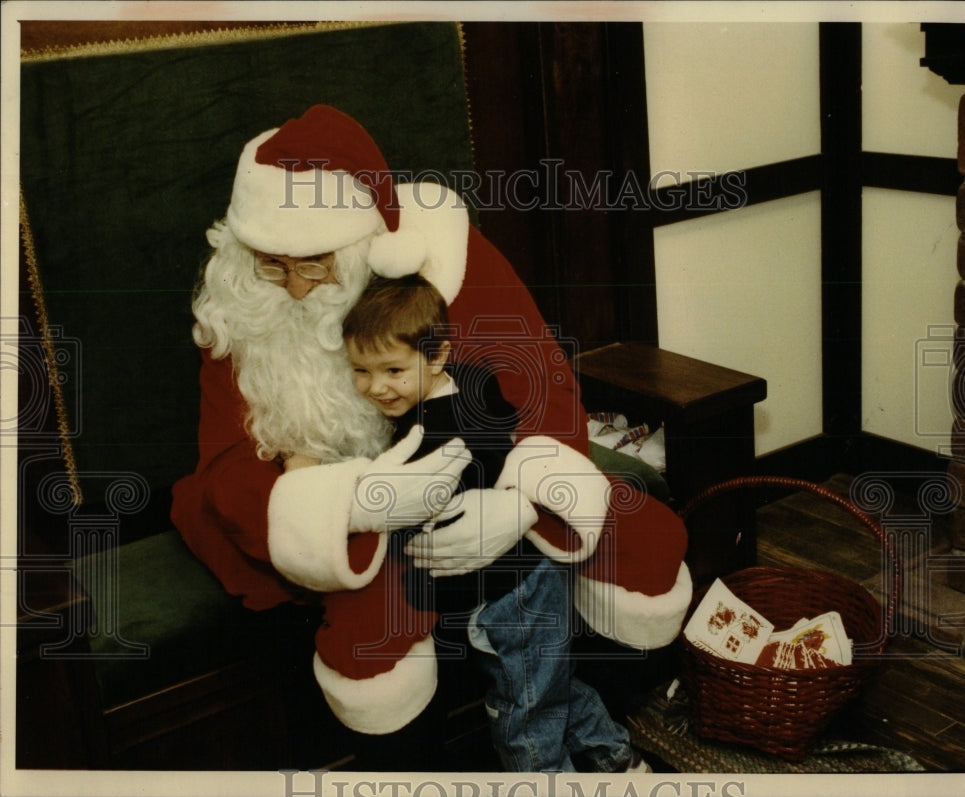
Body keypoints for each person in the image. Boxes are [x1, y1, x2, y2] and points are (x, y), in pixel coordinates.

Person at [170, 104, 693, 769]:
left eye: (315, 263)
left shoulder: (448, 263)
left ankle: (591, 739)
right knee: (374, 634)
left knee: (630, 539)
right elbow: (224, 471)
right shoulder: (241, 307)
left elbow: (544, 389)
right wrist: (358, 504)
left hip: (485, 485)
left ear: (367, 244)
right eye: (273, 264)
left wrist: (521, 504)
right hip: (358, 533)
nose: (296, 288)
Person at [311, 274, 646, 772]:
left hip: (508, 601)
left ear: (436, 357)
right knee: (549, 689)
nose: (375, 386)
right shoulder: (470, 380)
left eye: (392, 370)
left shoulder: (429, 440)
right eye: (360, 370)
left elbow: (417, 517)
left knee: (522, 717)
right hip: (535, 579)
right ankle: (617, 759)